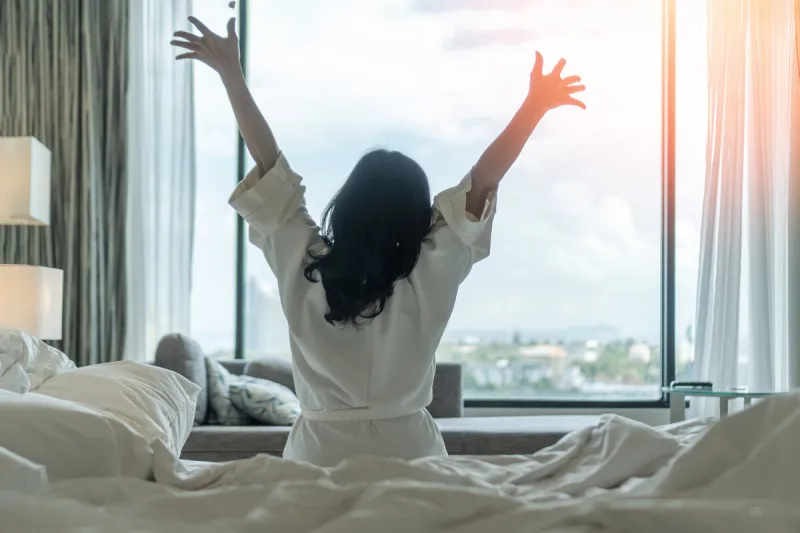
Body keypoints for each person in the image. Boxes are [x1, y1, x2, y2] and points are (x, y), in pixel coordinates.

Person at [172, 16, 585, 467]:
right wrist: (533, 108)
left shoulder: (302, 261)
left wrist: (232, 74)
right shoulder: (432, 268)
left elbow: (270, 165)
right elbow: (482, 182)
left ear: (346, 205)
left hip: (316, 458)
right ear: (415, 215)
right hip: (411, 456)